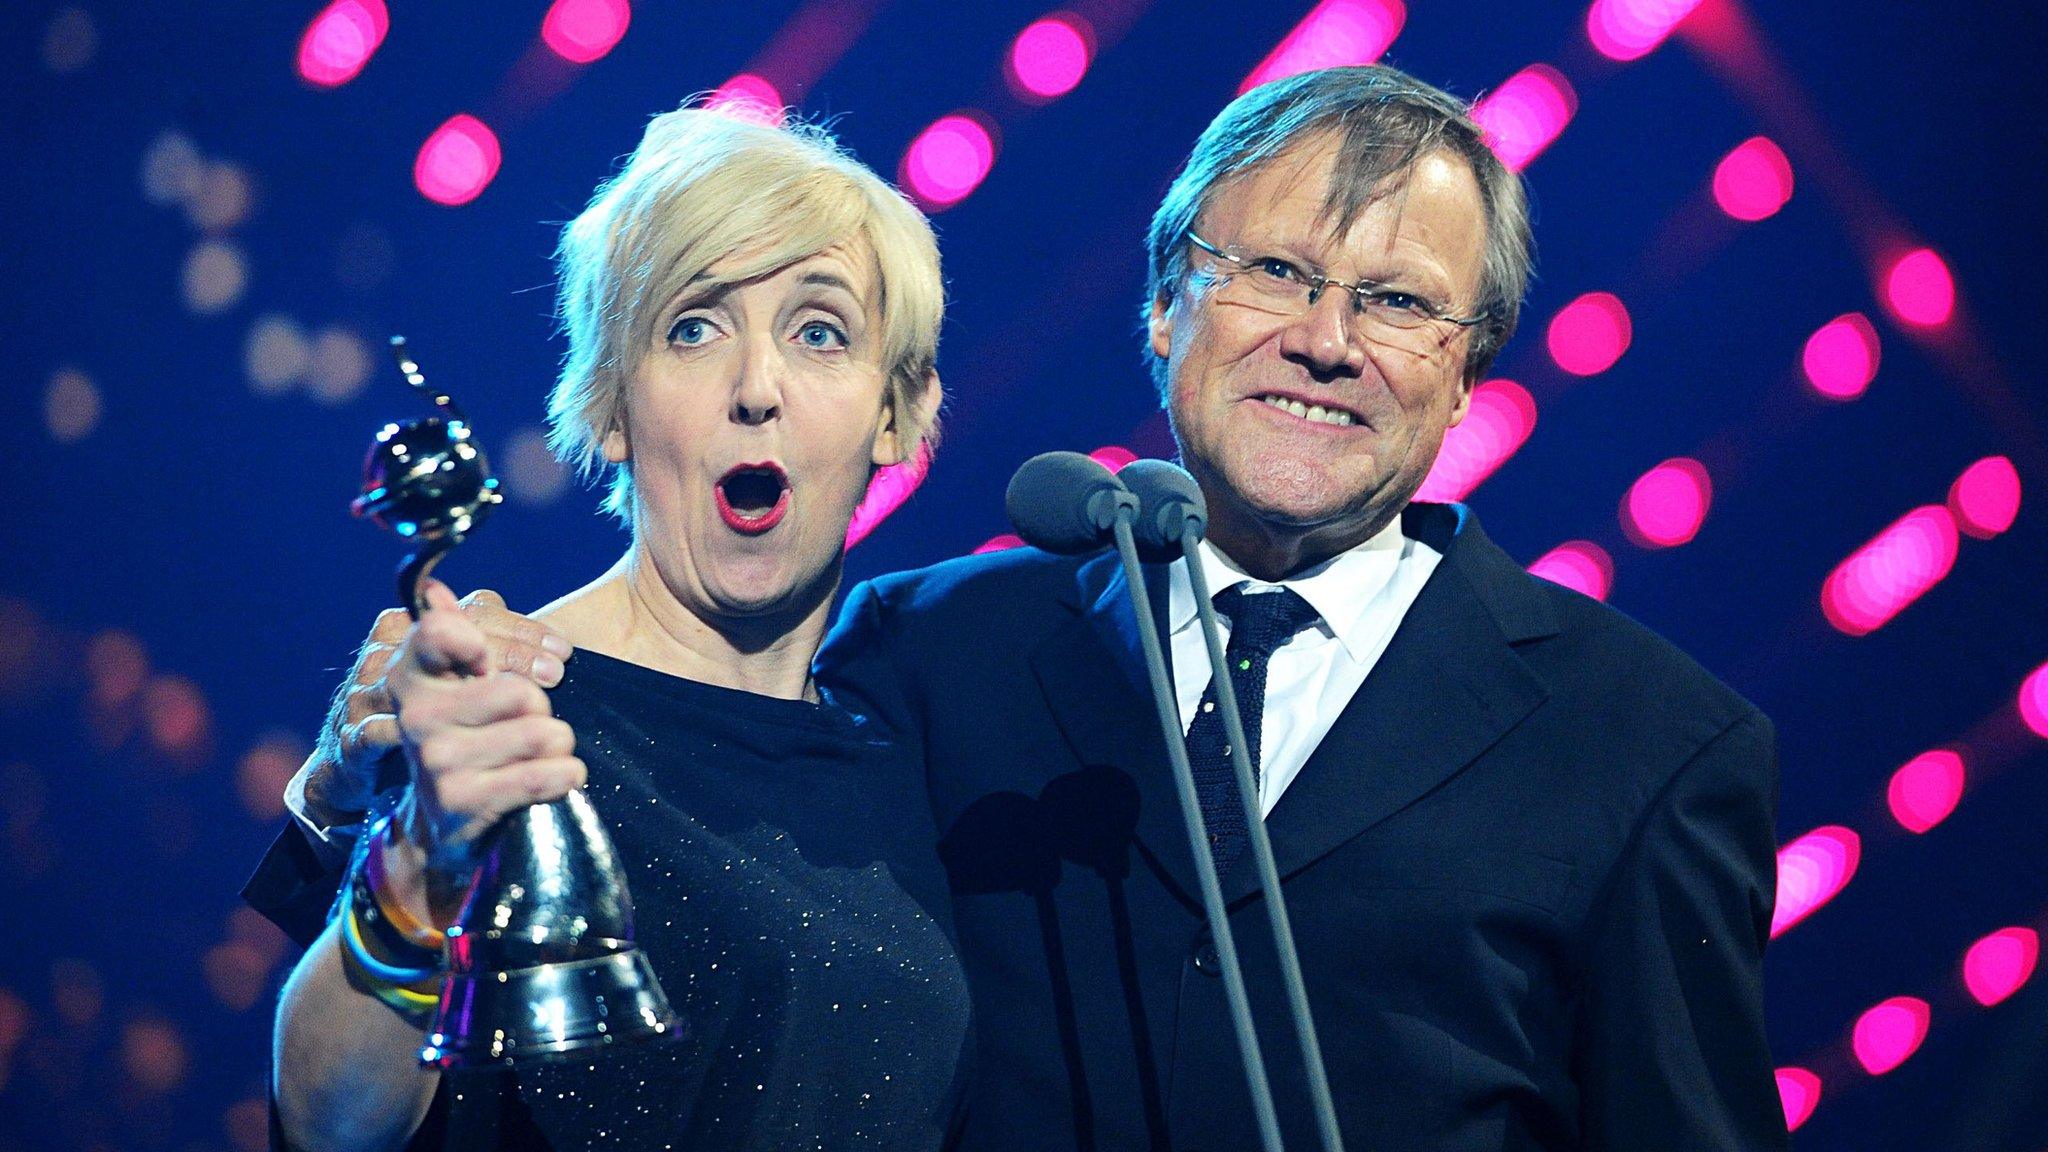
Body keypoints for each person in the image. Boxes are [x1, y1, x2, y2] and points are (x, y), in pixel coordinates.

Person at [268, 65, 1785, 1149]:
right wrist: (361, 806)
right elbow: (339, 1087)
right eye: (1270, 270)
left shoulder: (1646, 744)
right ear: (1163, 309)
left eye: (1395, 301)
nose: (1326, 340)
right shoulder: (944, 653)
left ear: (1470, 368)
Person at [246, 107, 967, 1152]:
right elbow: (329, 1124)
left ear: (896, 412)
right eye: (693, 327)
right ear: (611, 406)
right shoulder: (501, 716)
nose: (756, 389)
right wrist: (414, 870)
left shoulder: (902, 755)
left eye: (819, 332)